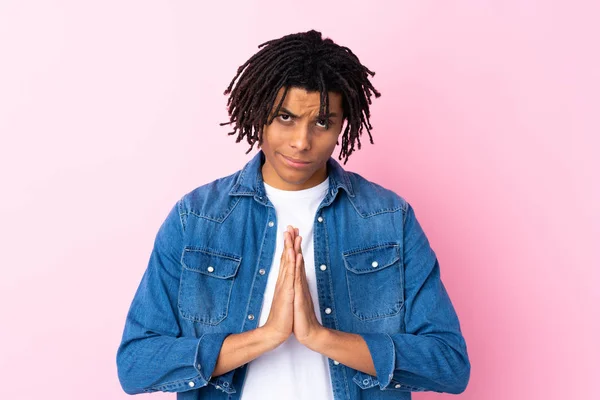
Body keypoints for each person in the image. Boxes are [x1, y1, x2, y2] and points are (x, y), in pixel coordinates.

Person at [116, 29, 470, 399]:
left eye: (322, 122)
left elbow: (449, 365)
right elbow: (136, 364)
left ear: (341, 126)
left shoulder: (388, 218)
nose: (302, 141)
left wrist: (320, 336)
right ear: (259, 115)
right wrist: (264, 337)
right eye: (285, 117)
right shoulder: (197, 219)